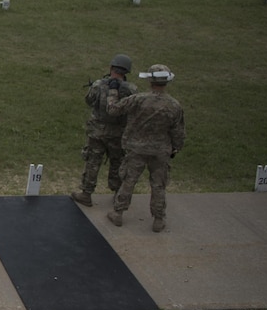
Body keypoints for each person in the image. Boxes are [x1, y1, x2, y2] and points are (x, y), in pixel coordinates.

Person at [107, 64, 186, 232]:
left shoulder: (138, 99)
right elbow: (178, 133)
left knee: (129, 180)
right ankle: (158, 219)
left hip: (136, 148)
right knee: (158, 185)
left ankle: (118, 213)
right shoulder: (174, 105)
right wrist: (175, 149)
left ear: (150, 80)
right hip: (160, 151)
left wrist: (112, 92)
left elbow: (113, 110)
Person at [71, 54, 138, 207]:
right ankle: (117, 195)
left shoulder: (98, 84)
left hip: (97, 131)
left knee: (93, 162)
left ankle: (86, 193)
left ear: (111, 67)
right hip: (118, 133)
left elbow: (89, 101)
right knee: (118, 163)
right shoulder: (132, 89)